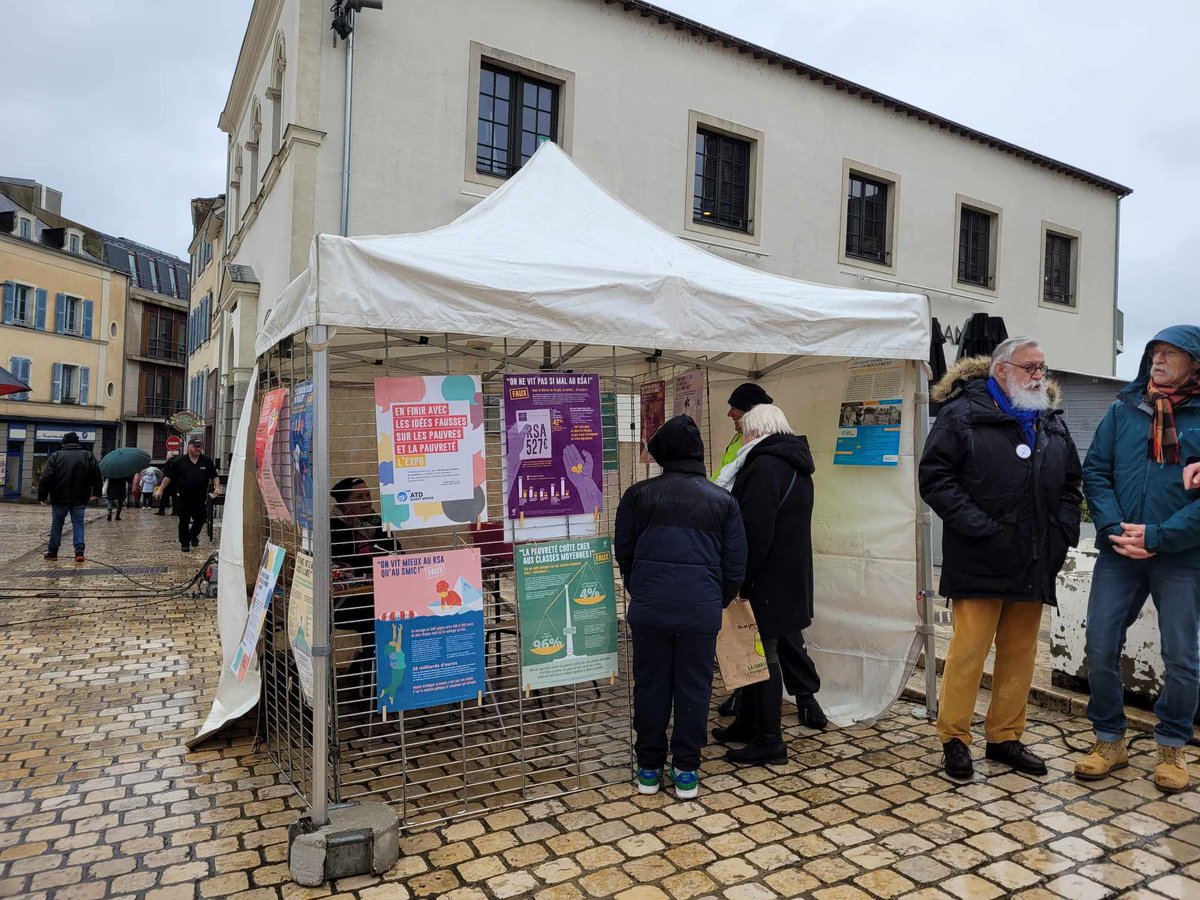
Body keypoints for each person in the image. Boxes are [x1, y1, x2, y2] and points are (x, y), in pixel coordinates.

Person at [920, 337, 1082, 781]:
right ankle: (954, 739)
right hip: (979, 554)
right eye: (1030, 367)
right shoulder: (961, 413)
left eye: (1042, 368)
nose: (1038, 376)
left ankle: (1005, 736)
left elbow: (1071, 484)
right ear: (1001, 370)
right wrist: (981, 528)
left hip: (1034, 556)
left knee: (1020, 651)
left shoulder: (1050, 419)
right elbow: (935, 478)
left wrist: (1063, 531)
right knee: (969, 650)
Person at [1074, 326, 1200, 793]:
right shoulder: (1123, 411)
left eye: (1172, 353)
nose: (1160, 360)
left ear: (1195, 363)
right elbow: (1097, 472)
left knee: (1181, 657)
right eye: (1155, 352)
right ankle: (1110, 739)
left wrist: (1160, 536)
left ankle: (1172, 745)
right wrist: (1111, 529)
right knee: (1100, 645)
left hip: (1182, 555)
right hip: (1120, 550)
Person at [615, 415, 746, 799]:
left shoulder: (638, 496)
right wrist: (713, 599)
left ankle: (649, 767)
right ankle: (686, 768)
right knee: (695, 688)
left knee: (651, 686)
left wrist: (640, 588)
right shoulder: (723, 501)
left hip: (651, 609)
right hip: (700, 610)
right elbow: (735, 563)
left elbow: (624, 551)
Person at [713, 385, 827, 730]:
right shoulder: (797, 465)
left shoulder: (763, 468)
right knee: (767, 647)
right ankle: (752, 721)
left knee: (766, 653)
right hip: (788, 575)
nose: (742, 435)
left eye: (745, 430)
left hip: (765, 579)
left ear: (757, 431)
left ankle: (767, 735)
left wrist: (738, 577)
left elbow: (756, 532)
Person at [38, 432, 102, 563]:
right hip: (80, 496)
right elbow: (96, 475)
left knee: (57, 524)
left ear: (64, 443)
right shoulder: (87, 455)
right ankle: (79, 551)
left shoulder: (56, 456)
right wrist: (96, 493)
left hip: (59, 496)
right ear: (78, 442)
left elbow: (46, 478)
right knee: (78, 523)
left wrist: (42, 496)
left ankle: (52, 552)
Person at [156, 438, 220, 553]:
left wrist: (217, 487)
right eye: (196, 446)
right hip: (183, 497)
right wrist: (160, 489)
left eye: (200, 446)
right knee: (184, 521)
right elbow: (168, 477)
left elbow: (214, 476)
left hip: (199, 497)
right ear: (188, 447)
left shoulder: (206, 461)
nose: (198, 449)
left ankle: (193, 535)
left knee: (200, 519)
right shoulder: (179, 461)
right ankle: (185, 543)